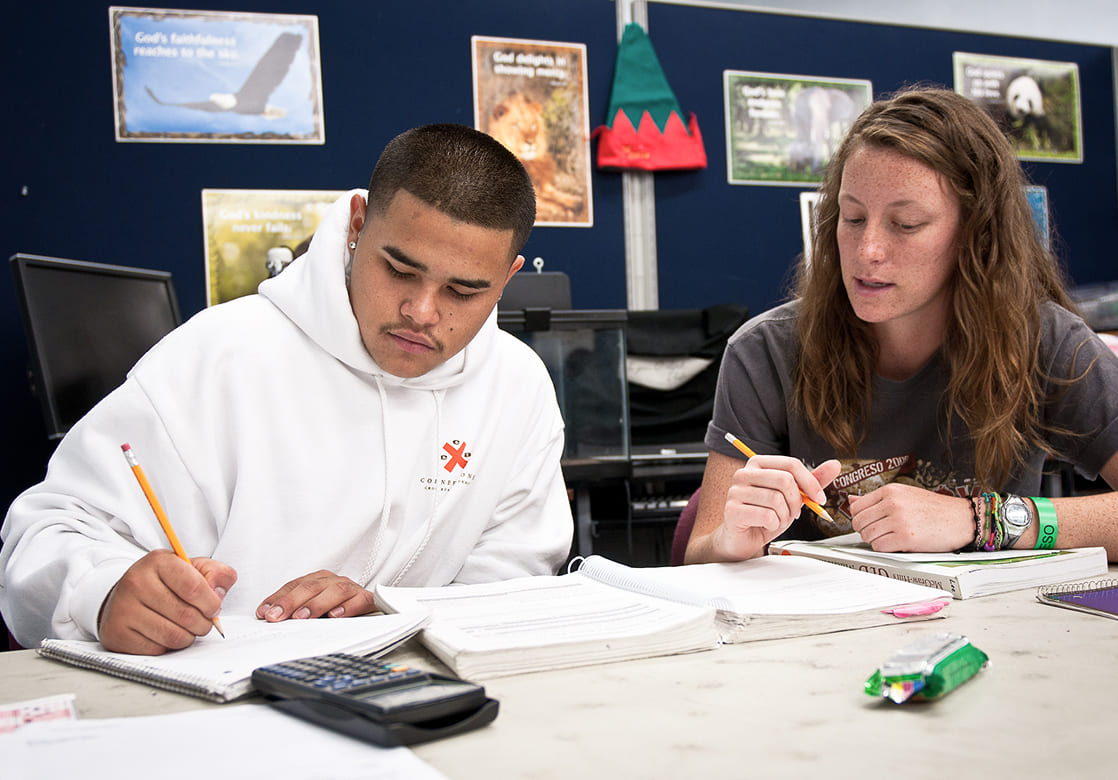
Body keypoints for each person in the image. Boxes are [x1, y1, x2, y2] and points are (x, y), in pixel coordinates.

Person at [0, 124, 573, 654]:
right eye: (400, 270)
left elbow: (512, 584)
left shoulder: (516, 389)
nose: (421, 312)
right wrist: (102, 591)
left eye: (464, 291)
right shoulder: (220, 356)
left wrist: (387, 610)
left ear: (507, 277)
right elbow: (45, 530)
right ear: (356, 226)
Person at [685, 87, 1118, 565]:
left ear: (975, 234)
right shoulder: (765, 351)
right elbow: (699, 555)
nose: (867, 250)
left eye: (906, 223)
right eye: (852, 218)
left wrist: (981, 520)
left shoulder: (1046, 342)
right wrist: (730, 541)